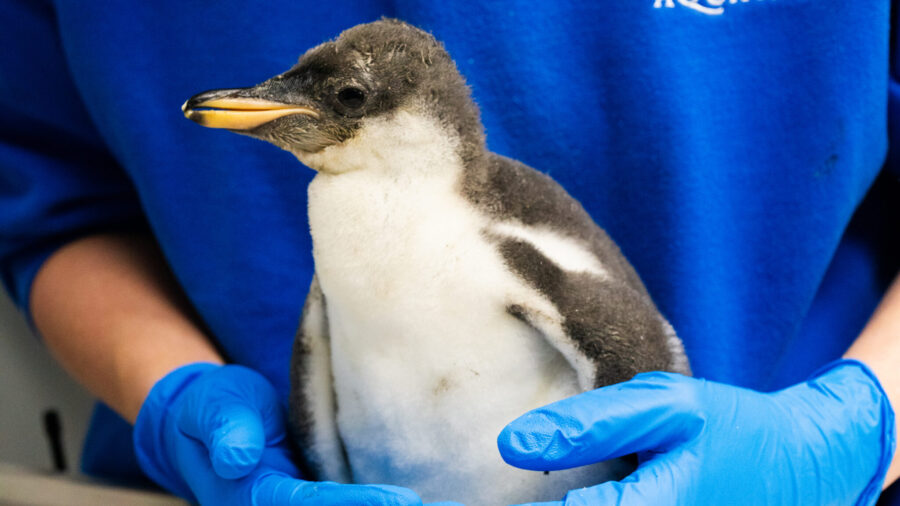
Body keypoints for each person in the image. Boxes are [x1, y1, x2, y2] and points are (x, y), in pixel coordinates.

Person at [1, 0, 898, 504]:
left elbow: (636, 355)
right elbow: (49, 193)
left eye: (346, 100)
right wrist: (179, 401)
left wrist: (854, 426)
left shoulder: (492, 236)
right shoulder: (348, 219)